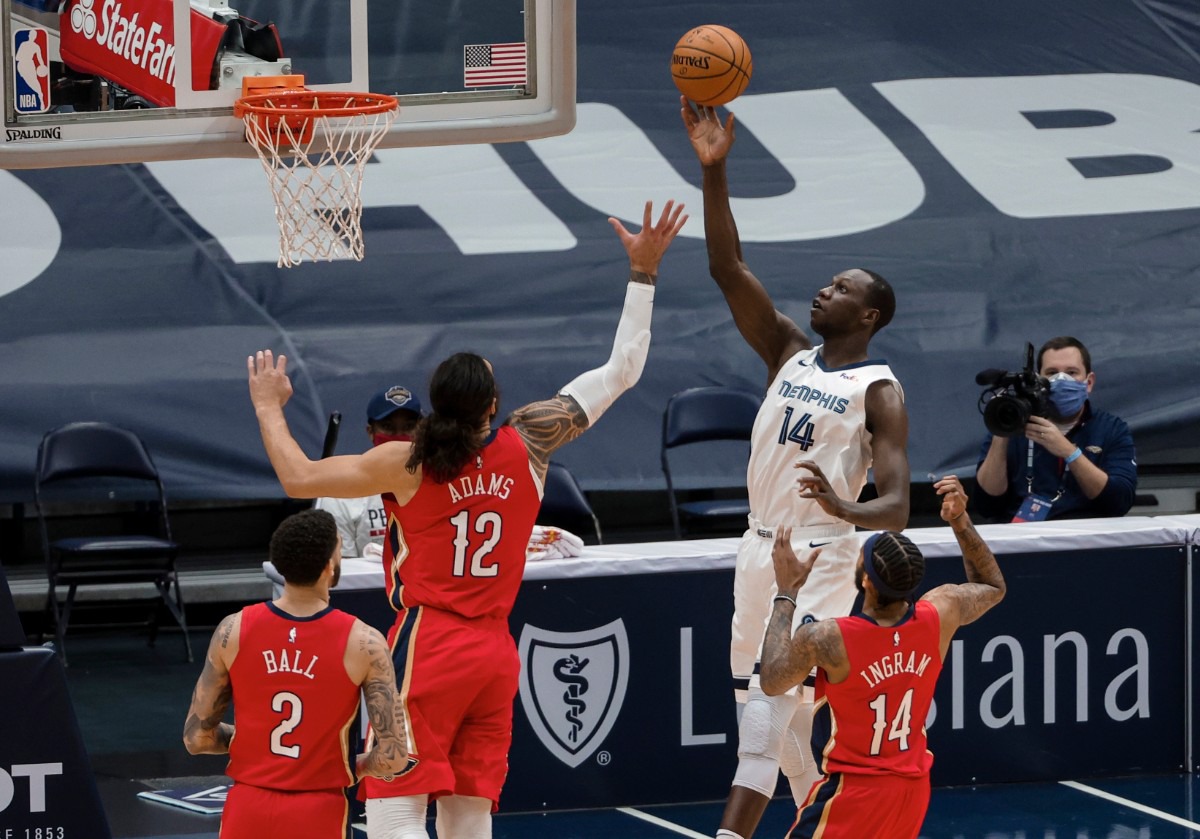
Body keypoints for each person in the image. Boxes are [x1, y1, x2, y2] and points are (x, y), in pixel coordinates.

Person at [246, 199, 688, 839]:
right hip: (495, 649)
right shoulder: (532, 439)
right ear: (495, 404)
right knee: (469, 812)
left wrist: (268, 407)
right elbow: (621, 371)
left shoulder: (406, 461)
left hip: (432, 643)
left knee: (397, 800)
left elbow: (298, 478)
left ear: (436, 404)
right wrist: (643, 273)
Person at [681, 97, 911, 838]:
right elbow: (727, 266)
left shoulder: (877, 389)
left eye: (843, 288)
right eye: (828, 283)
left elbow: (900, 507)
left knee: (769, 709)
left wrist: (846, 512)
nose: (825, 290)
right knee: (769, 715)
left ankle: (731, 832)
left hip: (821, 557)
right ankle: (823, 808)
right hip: (758, 547)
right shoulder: (788, 350)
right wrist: (713, 171)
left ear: (869, 315)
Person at [760, 476, 1006, 838]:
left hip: (854, 792)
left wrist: (786, 592)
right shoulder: (939, 614)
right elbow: (992, 586)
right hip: (912, 790)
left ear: (867, 582)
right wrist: (960, 520)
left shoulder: (830, 638)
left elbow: (771, 679)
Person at [182, 509, 413, 838]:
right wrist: (350, 764)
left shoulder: (231, 630)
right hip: (318, 811)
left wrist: (252, 741)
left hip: (246, 809)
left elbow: (196, 738)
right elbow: (393, 757)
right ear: (330, 563)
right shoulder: (364, 642)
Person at [974, 336, 1137, 523]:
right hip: (1019, 539)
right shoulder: (1014, 423)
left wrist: (1069, 452)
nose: (1061, 379)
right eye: (1051, 372)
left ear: (1089, 382)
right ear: (1037, 380)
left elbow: (1119, 503)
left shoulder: (1112, 429)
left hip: (1085, 538)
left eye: (1072, 372)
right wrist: (1002, 431)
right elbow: (986, 505)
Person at [316, 385, 424, 558]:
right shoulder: (341, 496)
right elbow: (344, 574)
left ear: (421, 430)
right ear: (370, 432)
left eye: (408, 427)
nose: (398, 435)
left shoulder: (442, 484)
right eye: (388, 427)